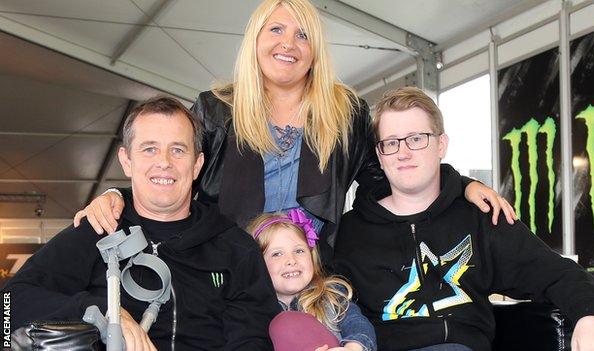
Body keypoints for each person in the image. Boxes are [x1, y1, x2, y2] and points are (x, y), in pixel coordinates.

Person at [73, 0, 515, 263]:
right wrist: (118, 197)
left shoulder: (344, 112)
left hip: (313, 277)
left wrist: (461, 185)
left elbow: (390, 178)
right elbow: (172, 172)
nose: (289, 43)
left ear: (315, 52)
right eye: (277, 29)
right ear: (256, 40)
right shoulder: (215, 110)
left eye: (303, 35)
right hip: (224, 271)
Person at [333, 87, 594, 351]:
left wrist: (590, 315)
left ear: (441, 145)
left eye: (417, 139)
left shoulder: (480, 219)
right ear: (379, 155)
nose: (403, 152)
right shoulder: (350, 233)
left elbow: (556, 273)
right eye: (391, 143)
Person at [2, 96, 280, 351]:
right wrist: (103, 311)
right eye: (149, 149)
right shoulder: (97, 229)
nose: (164, 162)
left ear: (197, 165)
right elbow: (8, 304)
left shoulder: (236, 249)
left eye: (178, 150)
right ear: (126, 160)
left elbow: (253, 339)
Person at [247, 209, 377, 351]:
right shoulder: (253, 311)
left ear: (312, 256)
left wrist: (353, 348)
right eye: (277, 254)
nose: (291, 260)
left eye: (299, 251)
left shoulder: (332, 295)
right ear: (257, 264)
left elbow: (357, 324)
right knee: (283, 324)